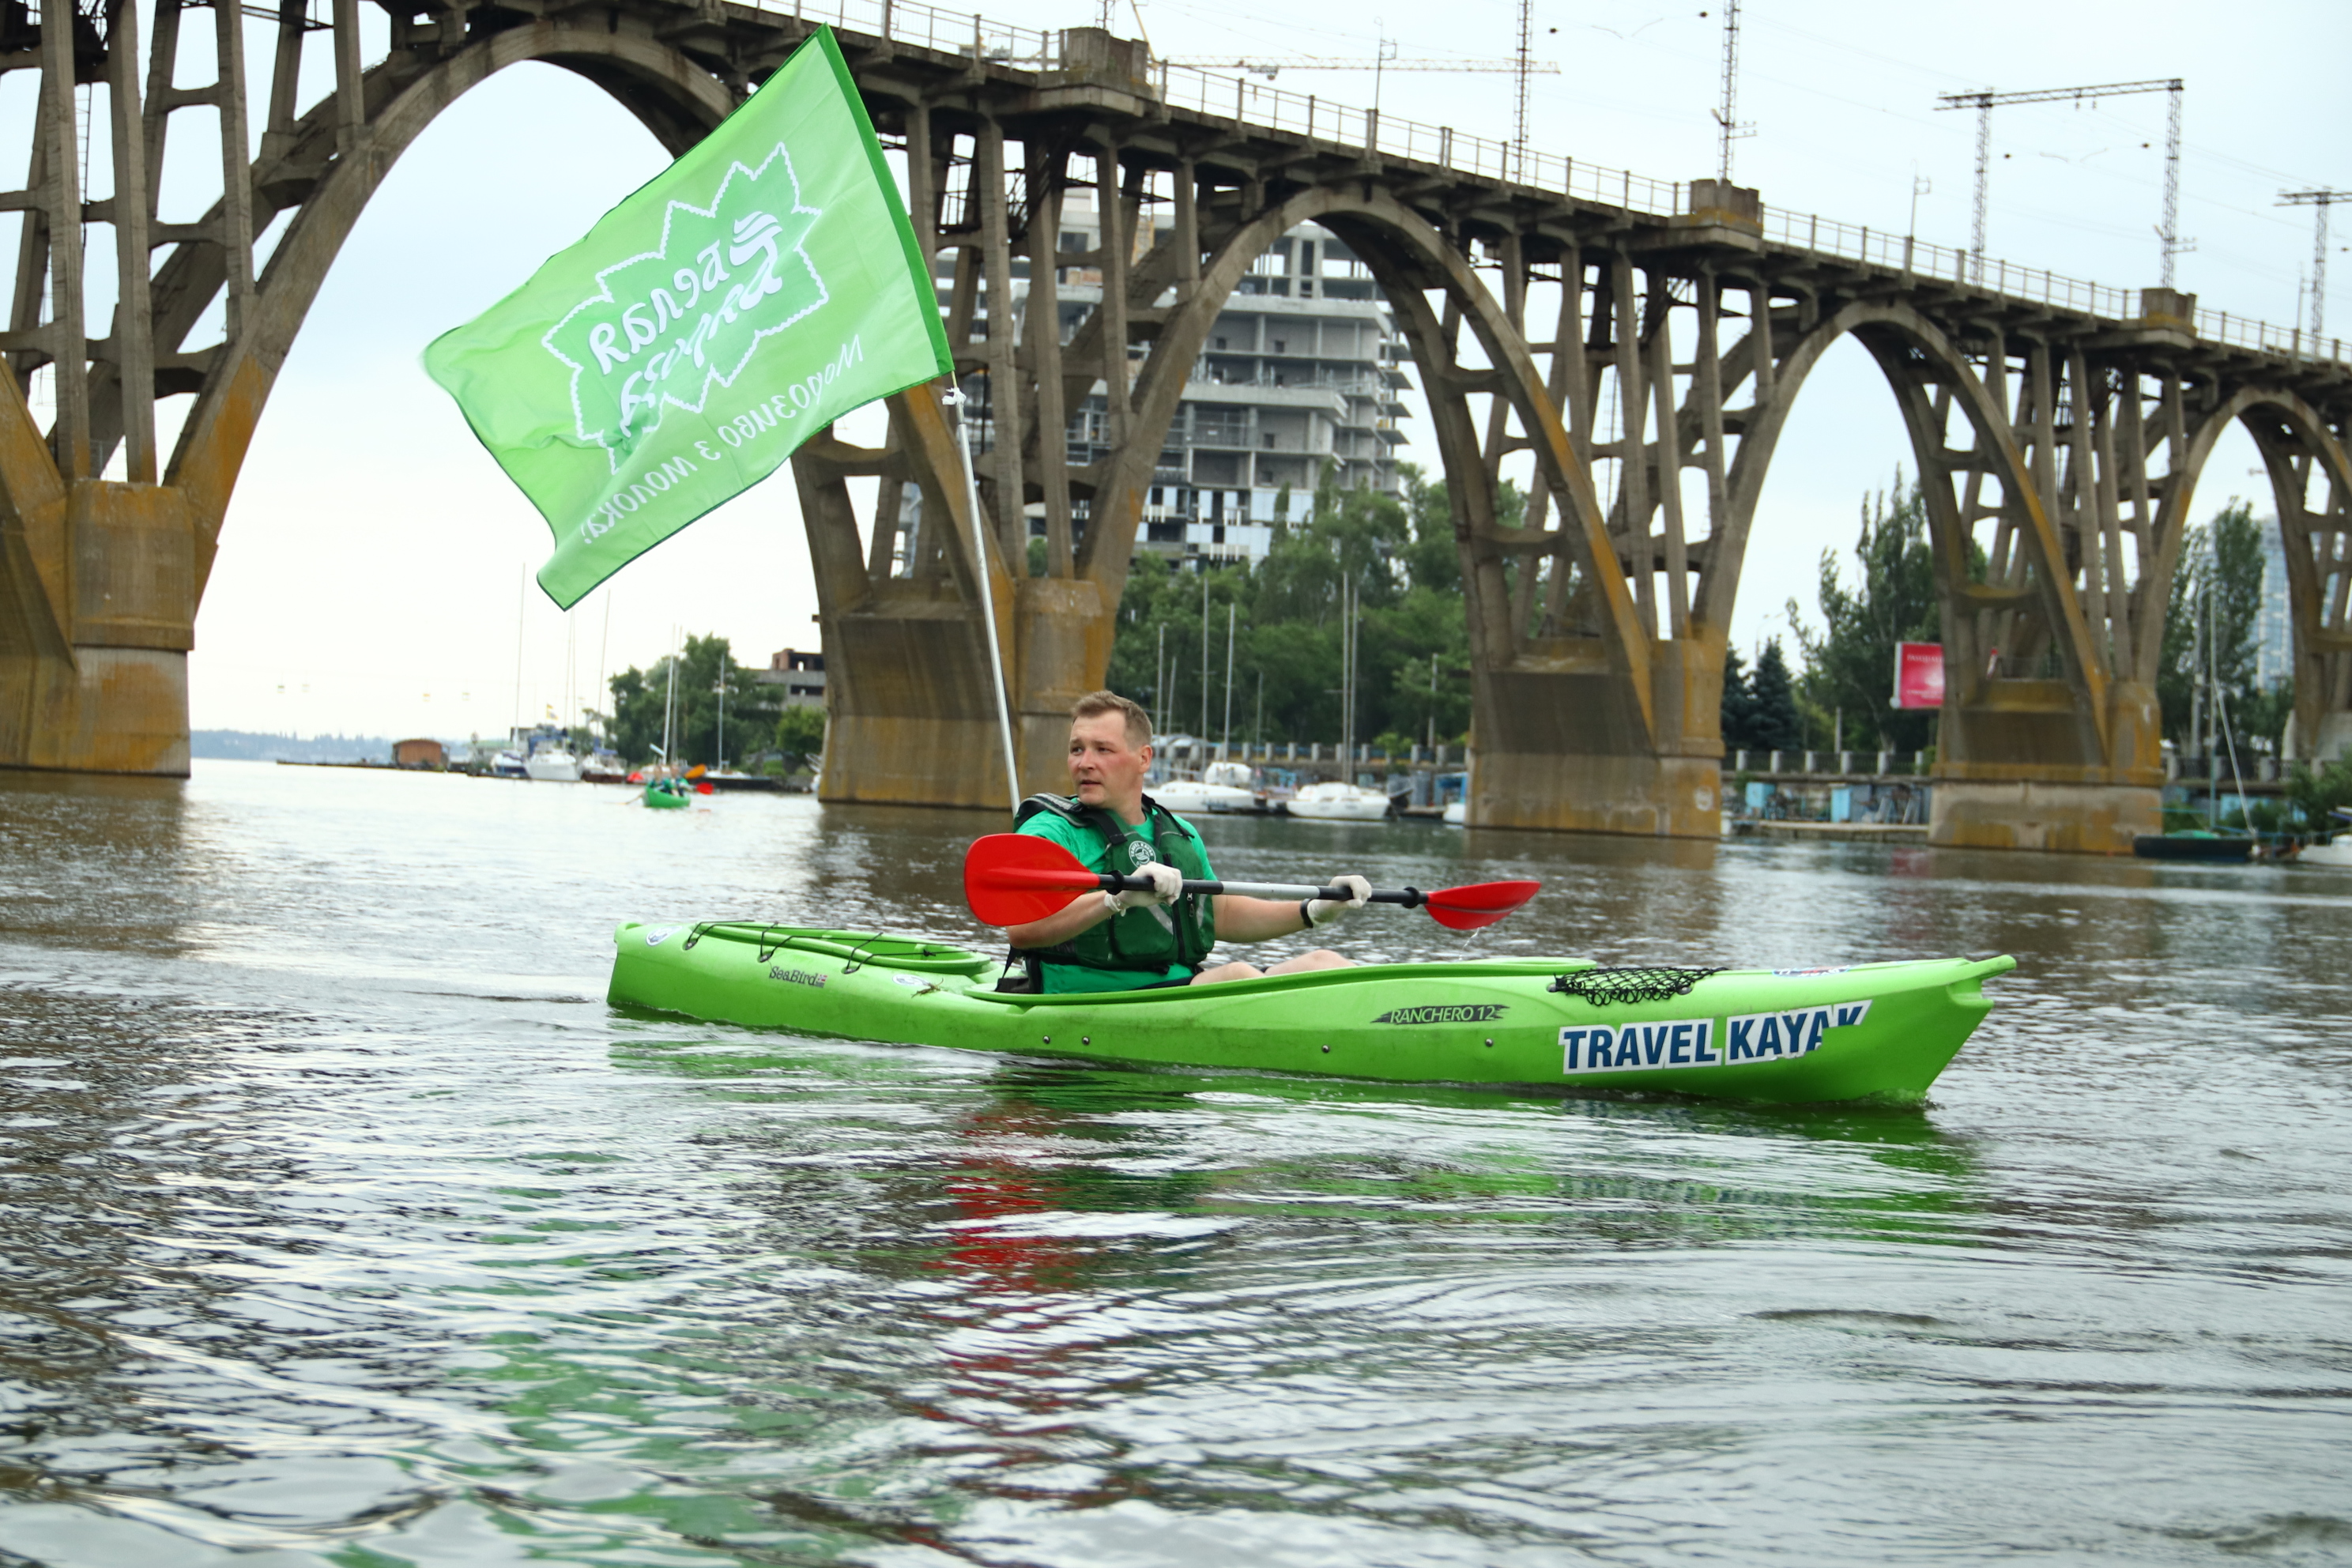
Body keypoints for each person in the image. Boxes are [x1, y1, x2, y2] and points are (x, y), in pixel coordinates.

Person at [1001, 691, 1370, 993]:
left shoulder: (1180, 834)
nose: (1085, 762)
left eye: (1103, 749)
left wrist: (1315, 909)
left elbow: (1220, 915)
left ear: (1144, 758)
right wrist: (1115, 900)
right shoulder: (1051, 832)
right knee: (1236, 976)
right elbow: (1022, 930)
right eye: (1077, 749)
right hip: (1085, 996)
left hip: (1175, 987)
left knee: (1326, 962)